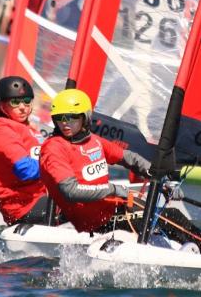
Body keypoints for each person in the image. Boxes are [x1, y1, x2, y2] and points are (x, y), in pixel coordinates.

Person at [38, 88, 152, 233]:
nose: (65, 123)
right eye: (60, 117)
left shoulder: (94, 140)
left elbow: (128, 157)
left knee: (167, 215)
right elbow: (71, 191)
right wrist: (113, 190)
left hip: (109, 212)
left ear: (85, 117)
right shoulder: (54, 147)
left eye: (71, 117)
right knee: (168, 217)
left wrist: (158, 175)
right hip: (87, 223)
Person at [0, 76, 48, 225]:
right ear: (1, 105)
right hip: (24, 209)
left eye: (26, 101)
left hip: (44, 200)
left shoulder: (31, 129)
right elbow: (26, 170)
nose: (22, 106)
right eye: (15, 102)